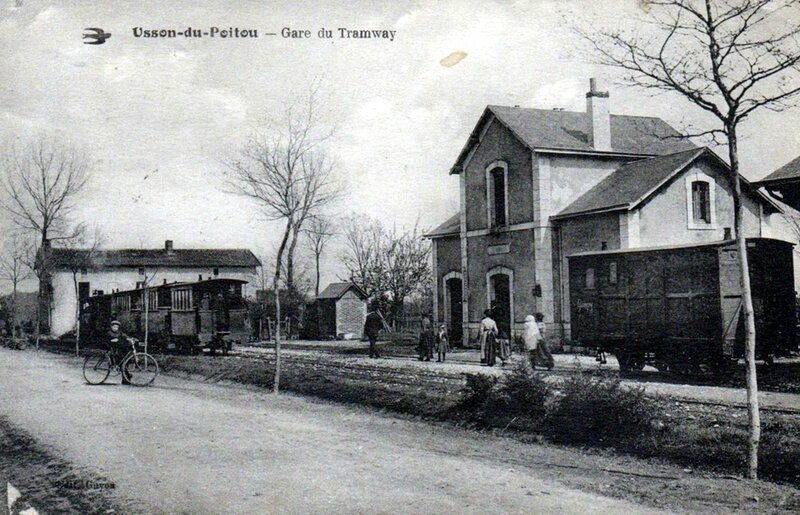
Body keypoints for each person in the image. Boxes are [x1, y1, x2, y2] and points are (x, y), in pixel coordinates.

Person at [108, 320, 134, 385]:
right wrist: (112, 340)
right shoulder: (109, 333)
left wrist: (129, 339)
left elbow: (125, 336)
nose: (115, 328)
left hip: (120, 351)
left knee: (124, 363)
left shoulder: (119, 333)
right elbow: (106, 341)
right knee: (122, 364)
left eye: (116, 327)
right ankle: (127, 377)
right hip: (113, 352)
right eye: (114, 327)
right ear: (111, 327)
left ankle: (126, 378)